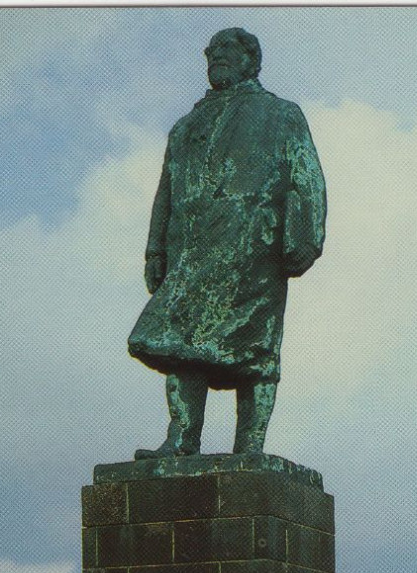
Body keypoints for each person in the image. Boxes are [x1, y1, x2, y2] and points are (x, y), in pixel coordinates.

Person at [128, 27, 326, 458]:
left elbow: (307, 177)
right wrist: (155, 248)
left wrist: (307, 237)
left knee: (255, 348)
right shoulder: (185, 126)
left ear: (250, 60)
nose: (215, 57)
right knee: (178, 343)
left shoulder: (281, 115)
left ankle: (250, 445)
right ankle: (182, 438)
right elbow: (166, 190)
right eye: (210, 52)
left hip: (253, 249)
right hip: (192, 252)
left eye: (226, 50)